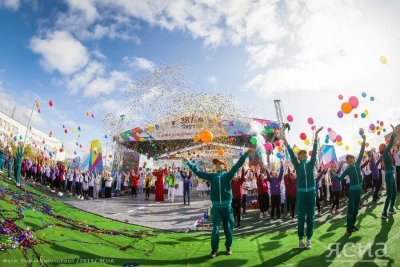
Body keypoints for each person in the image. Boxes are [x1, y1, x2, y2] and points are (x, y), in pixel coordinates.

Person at [184, 148, 253, 258]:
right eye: (216, 164)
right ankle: (214, 250)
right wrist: (188, 162)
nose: (217, 165)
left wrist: (245, 154)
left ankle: (228, 247)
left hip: (227, 207)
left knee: (228, 228)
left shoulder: (228, 175)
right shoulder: (212, 176)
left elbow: (237, 166)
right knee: (215, 229)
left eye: (219, 163)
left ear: (224, 166)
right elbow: (198, 172)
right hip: (216, 207)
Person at [283, 126, 323, 249]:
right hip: (300, 194)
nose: (303, 155)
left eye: (305, 154)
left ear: (307, 156)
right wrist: (286, 142)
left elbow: (315, 150)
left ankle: (309, 239)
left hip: (311, 193)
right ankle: (301, 239)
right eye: (301, 154)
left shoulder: (311, 164)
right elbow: (290, 153)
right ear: (299, 157)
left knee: (310, 217)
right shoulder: (297, 165)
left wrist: (316, 135)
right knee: (301, 217)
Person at [331, 135, 366, 235]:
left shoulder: (358, 163)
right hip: (352, 191)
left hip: (358, 189)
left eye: (350, 158)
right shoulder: (347, 169)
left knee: (356, 209)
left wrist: (363, 141)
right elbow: (340, 178)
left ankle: (352, 225)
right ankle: (348, 228)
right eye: (348, 159)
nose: (349, 159)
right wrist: (333, 174)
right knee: (351, 209)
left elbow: (361, 152)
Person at [380, 124, 397, 219]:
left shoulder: (386, 153)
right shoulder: (385, 152)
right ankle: (384, 212)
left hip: (391, 174)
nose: (387, 146)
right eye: (385, 146)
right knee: (390, 193)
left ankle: (390, 209)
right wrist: (394, 132)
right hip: (389, 175)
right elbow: (390, 143)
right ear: (384, 148)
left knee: (394, 193)